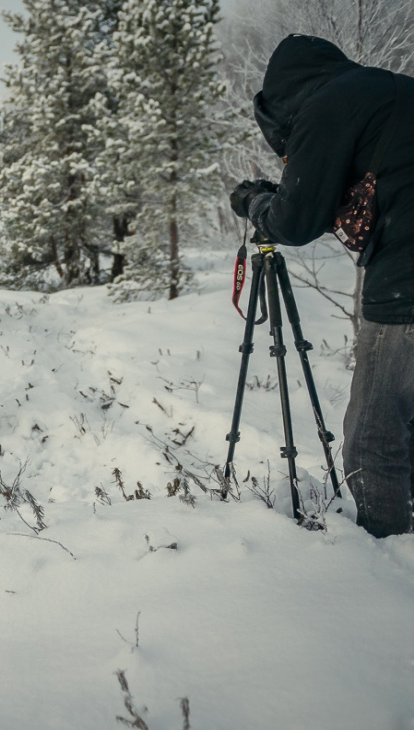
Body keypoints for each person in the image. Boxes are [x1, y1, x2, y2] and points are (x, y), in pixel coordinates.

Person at [229, 34, 414, 538]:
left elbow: (293, 221)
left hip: (405, 286)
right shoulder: (389, 91)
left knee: (374, 440)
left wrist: (254, 203)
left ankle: (390, 564)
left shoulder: (328, 104)